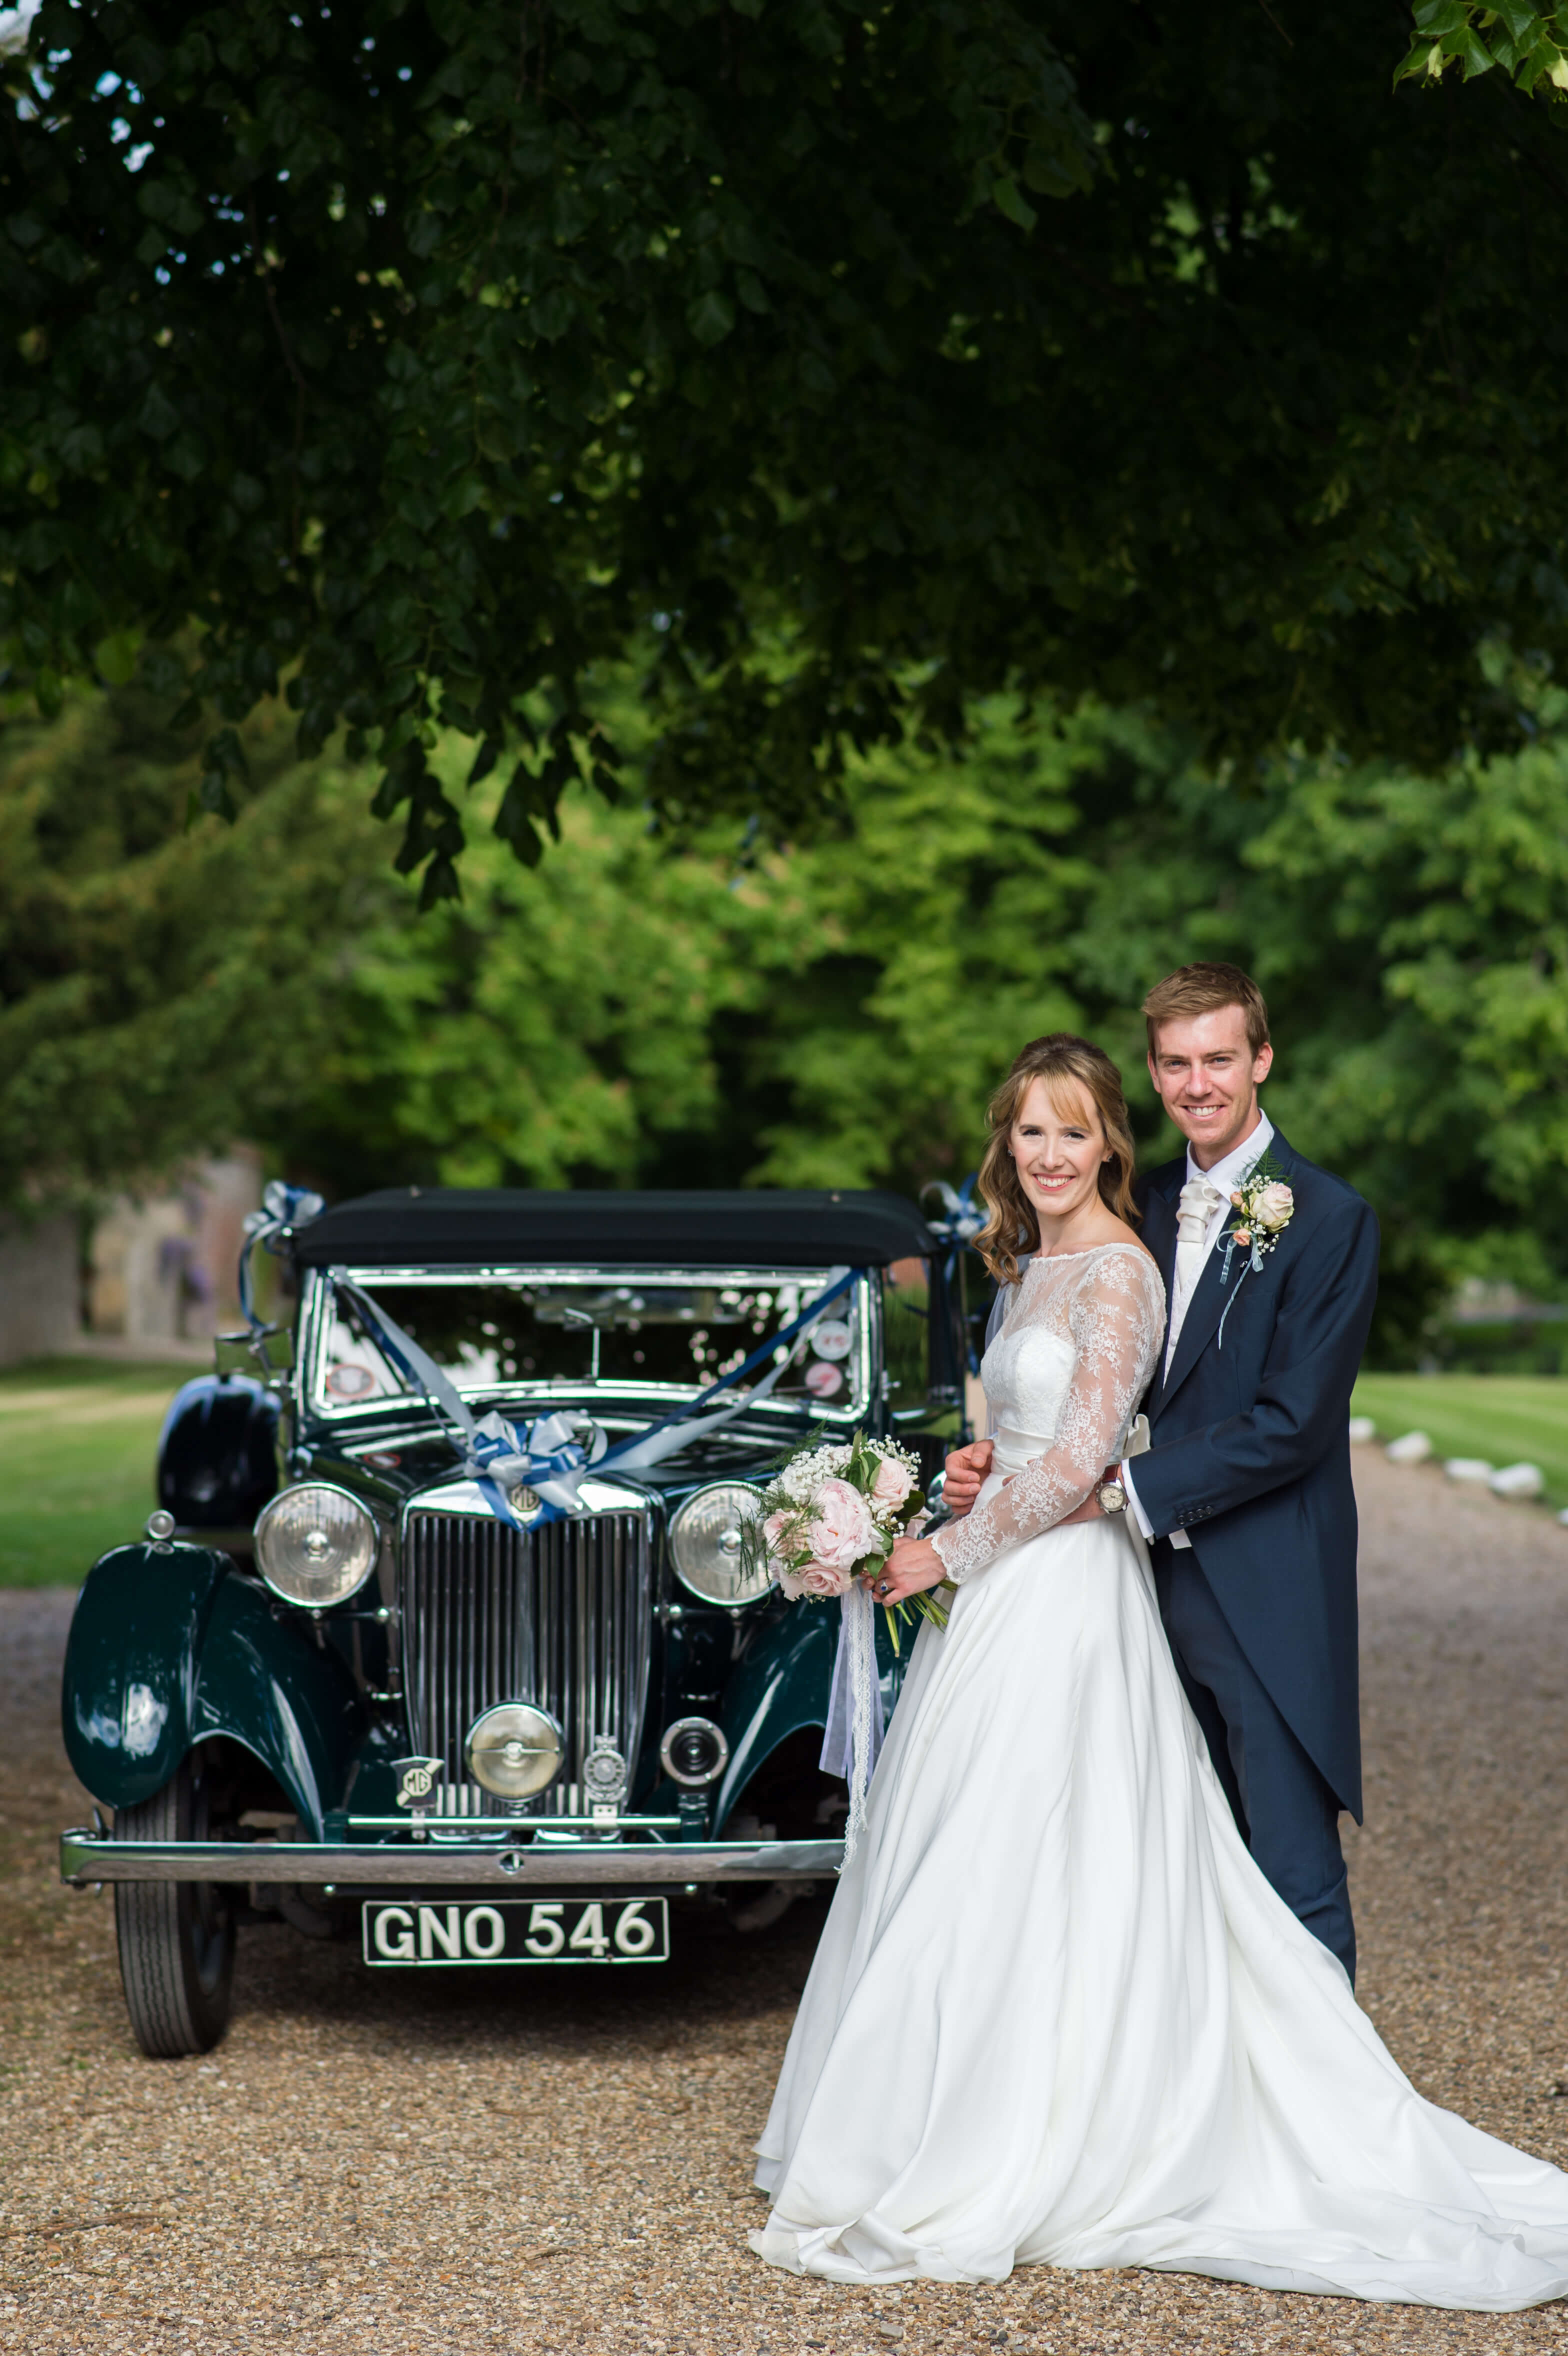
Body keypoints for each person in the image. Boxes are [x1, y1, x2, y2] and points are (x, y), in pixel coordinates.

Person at [750, 1030, 1568, 2304]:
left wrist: (939, 1553)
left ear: (1110, 1140)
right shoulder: (1026, 1269)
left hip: (1067, 1590)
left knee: (1103, 1845)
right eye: (1031, 1131)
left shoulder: (1129, 1268)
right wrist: (966, 1477)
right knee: (1007, 1852)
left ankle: (1226, 2116)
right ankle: (969, 2109)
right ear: (1006, 1147)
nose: (1052, 1152)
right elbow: (1033, 1439)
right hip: (1027, 1586)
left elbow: (1092, 1460)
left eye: (1074, 1131)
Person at [948, 962, 1370, 1982]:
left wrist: (1115, 1493)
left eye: (1218, 1058)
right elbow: (1099, 1375)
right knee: (1159, 1861)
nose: (1197, 1084)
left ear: (1259, 1060)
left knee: (1285, 1861)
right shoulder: (1137, 1202)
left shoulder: (1323, 1217)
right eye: (1175, 1064)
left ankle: (1325, 2119)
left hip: (1257, 1582)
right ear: (1152, 1071)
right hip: (1120, 1591)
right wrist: (996, 1464)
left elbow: (1291, 1422)